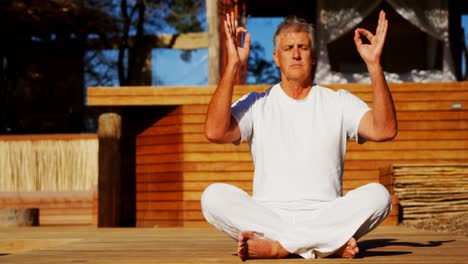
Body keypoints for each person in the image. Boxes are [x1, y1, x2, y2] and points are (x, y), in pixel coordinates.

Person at [201, 10, 397, 260]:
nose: (295, 54)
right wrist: (232, 66)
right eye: (288, 48)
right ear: (276, 58)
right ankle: (325, 244)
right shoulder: (257, 103)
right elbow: (215, 132)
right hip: (268, 216)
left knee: (379, 196)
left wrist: (374, 65)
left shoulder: (338, 102)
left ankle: (280, 247)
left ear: (312, 56)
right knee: (213, 197)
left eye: (303, 47)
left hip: (326, 214)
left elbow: (385, 130)